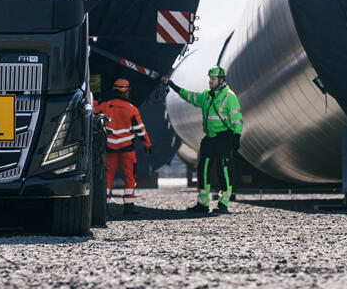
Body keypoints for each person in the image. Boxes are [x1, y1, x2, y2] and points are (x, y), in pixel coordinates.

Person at [167, 66, 243, 214]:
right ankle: (203, 204)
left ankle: (223, 203)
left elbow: (237, 119)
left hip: (224, 138)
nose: (210, 81)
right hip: (210, 139)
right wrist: (175, 88)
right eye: (210, 79)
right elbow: (191, 97)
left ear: (221, 80)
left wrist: (236, 136)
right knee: (203, 170)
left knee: (223, 171)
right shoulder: (207, 96)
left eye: (213, 79)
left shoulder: (229, 97)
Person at [93, 78, 152, 215]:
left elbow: (93, 112)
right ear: (126, 91)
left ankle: (105, 206)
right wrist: (147, 145)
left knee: (107, 177)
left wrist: (95, 100)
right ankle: (129, 206)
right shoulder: (132, 110)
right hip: (127, 149)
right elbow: (140, 131)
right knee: (130, 177)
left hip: (109, 149)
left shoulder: (105, 106)